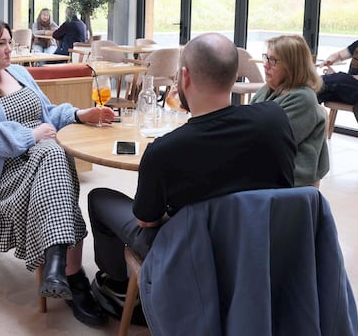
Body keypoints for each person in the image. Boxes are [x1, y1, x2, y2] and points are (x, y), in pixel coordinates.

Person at [87, 33, 296, 323]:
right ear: (235, 75)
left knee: (100, 198)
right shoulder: (275, 119)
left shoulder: (164, 151)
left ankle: (118, 287)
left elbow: (146, 220)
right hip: (264, 245)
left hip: (195, 255)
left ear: (184, 77)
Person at [0, 18, 116, 327]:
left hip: (41, 167)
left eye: (10, 42)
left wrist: (79, 114)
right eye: (1, 43)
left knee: (54, 156)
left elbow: (47, 114)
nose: (10, 49)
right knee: (55, 153)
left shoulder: (19, 73)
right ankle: (72, 276)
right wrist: (30, 137)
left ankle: (56, 266)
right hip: (6, 174)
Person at [252, 35, 329, 187]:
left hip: (292, 175)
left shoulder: (303, 98)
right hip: (269, 166)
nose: (265, 65)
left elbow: (270, 142)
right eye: (266, 58)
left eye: (273, 61)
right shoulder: (267, 89)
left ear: (292, 66)